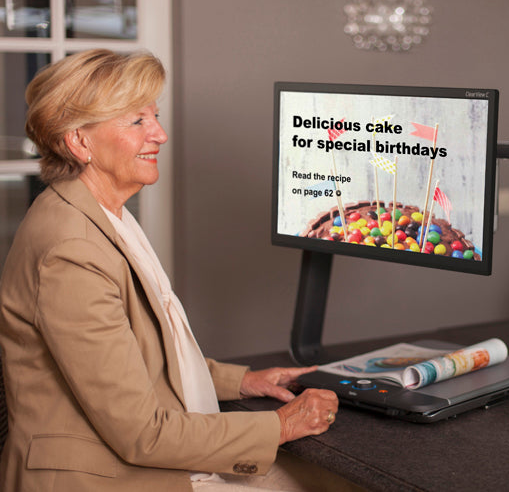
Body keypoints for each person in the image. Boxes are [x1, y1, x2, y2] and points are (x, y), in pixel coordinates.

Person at [0, 49, 349, 492]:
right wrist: (280, 426)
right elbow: (142, 433)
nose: (160, 134)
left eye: (155, 117)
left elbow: (134, 354)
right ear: (79, 142)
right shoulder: (71, 252)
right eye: (137, 122)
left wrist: (241, 381)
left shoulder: (100, 214)